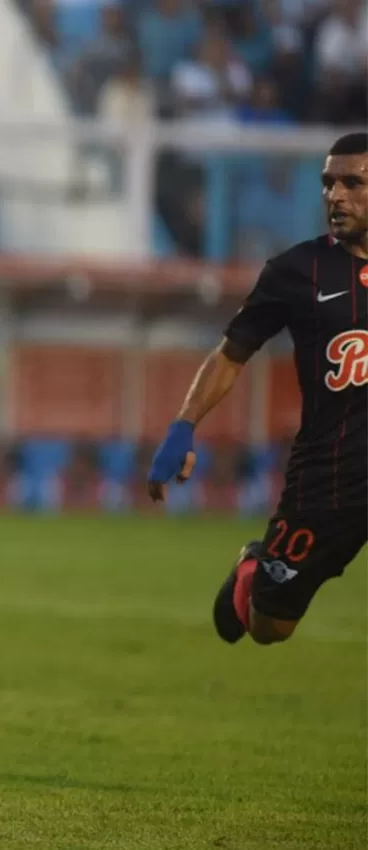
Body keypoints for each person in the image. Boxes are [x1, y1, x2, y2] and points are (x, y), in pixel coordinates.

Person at [148, 131, 367, 645]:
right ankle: (254, 568)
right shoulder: (298, 272)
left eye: (353, 183)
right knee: (271, 627)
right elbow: (230, 354)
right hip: (329, 480)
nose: (335, 196)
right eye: (327, 184)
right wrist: (183, 427)